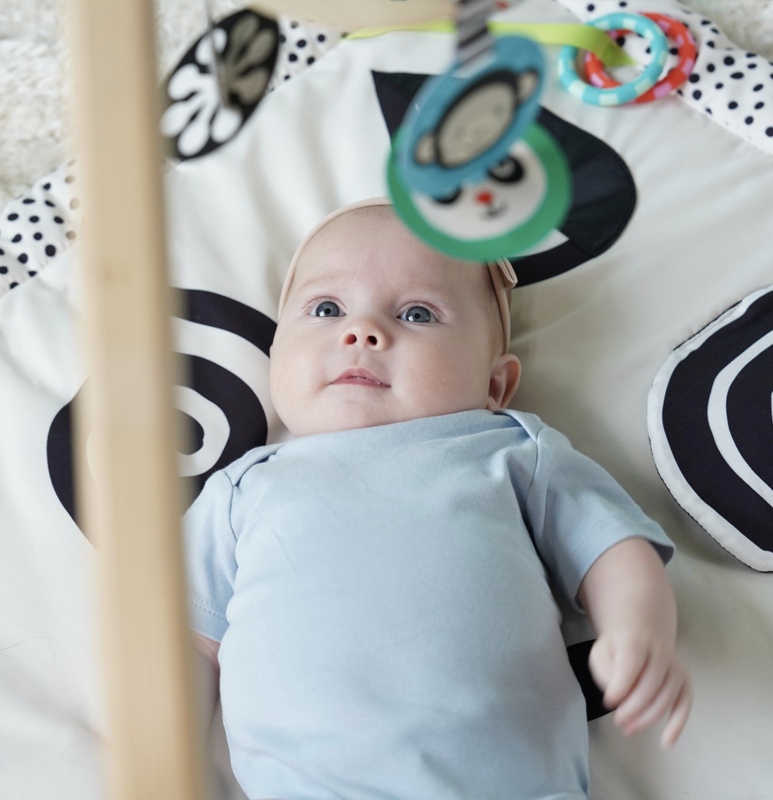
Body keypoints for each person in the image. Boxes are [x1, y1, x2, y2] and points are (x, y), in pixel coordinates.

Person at [184, 197, 692, 800]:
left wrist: (637, 626)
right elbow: (191, 640)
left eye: (419, 313)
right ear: (275, 358)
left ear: (494, 383)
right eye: (326, 308)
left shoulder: (510, 452)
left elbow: (612, 548)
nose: (362, 331)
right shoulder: (243, 490)